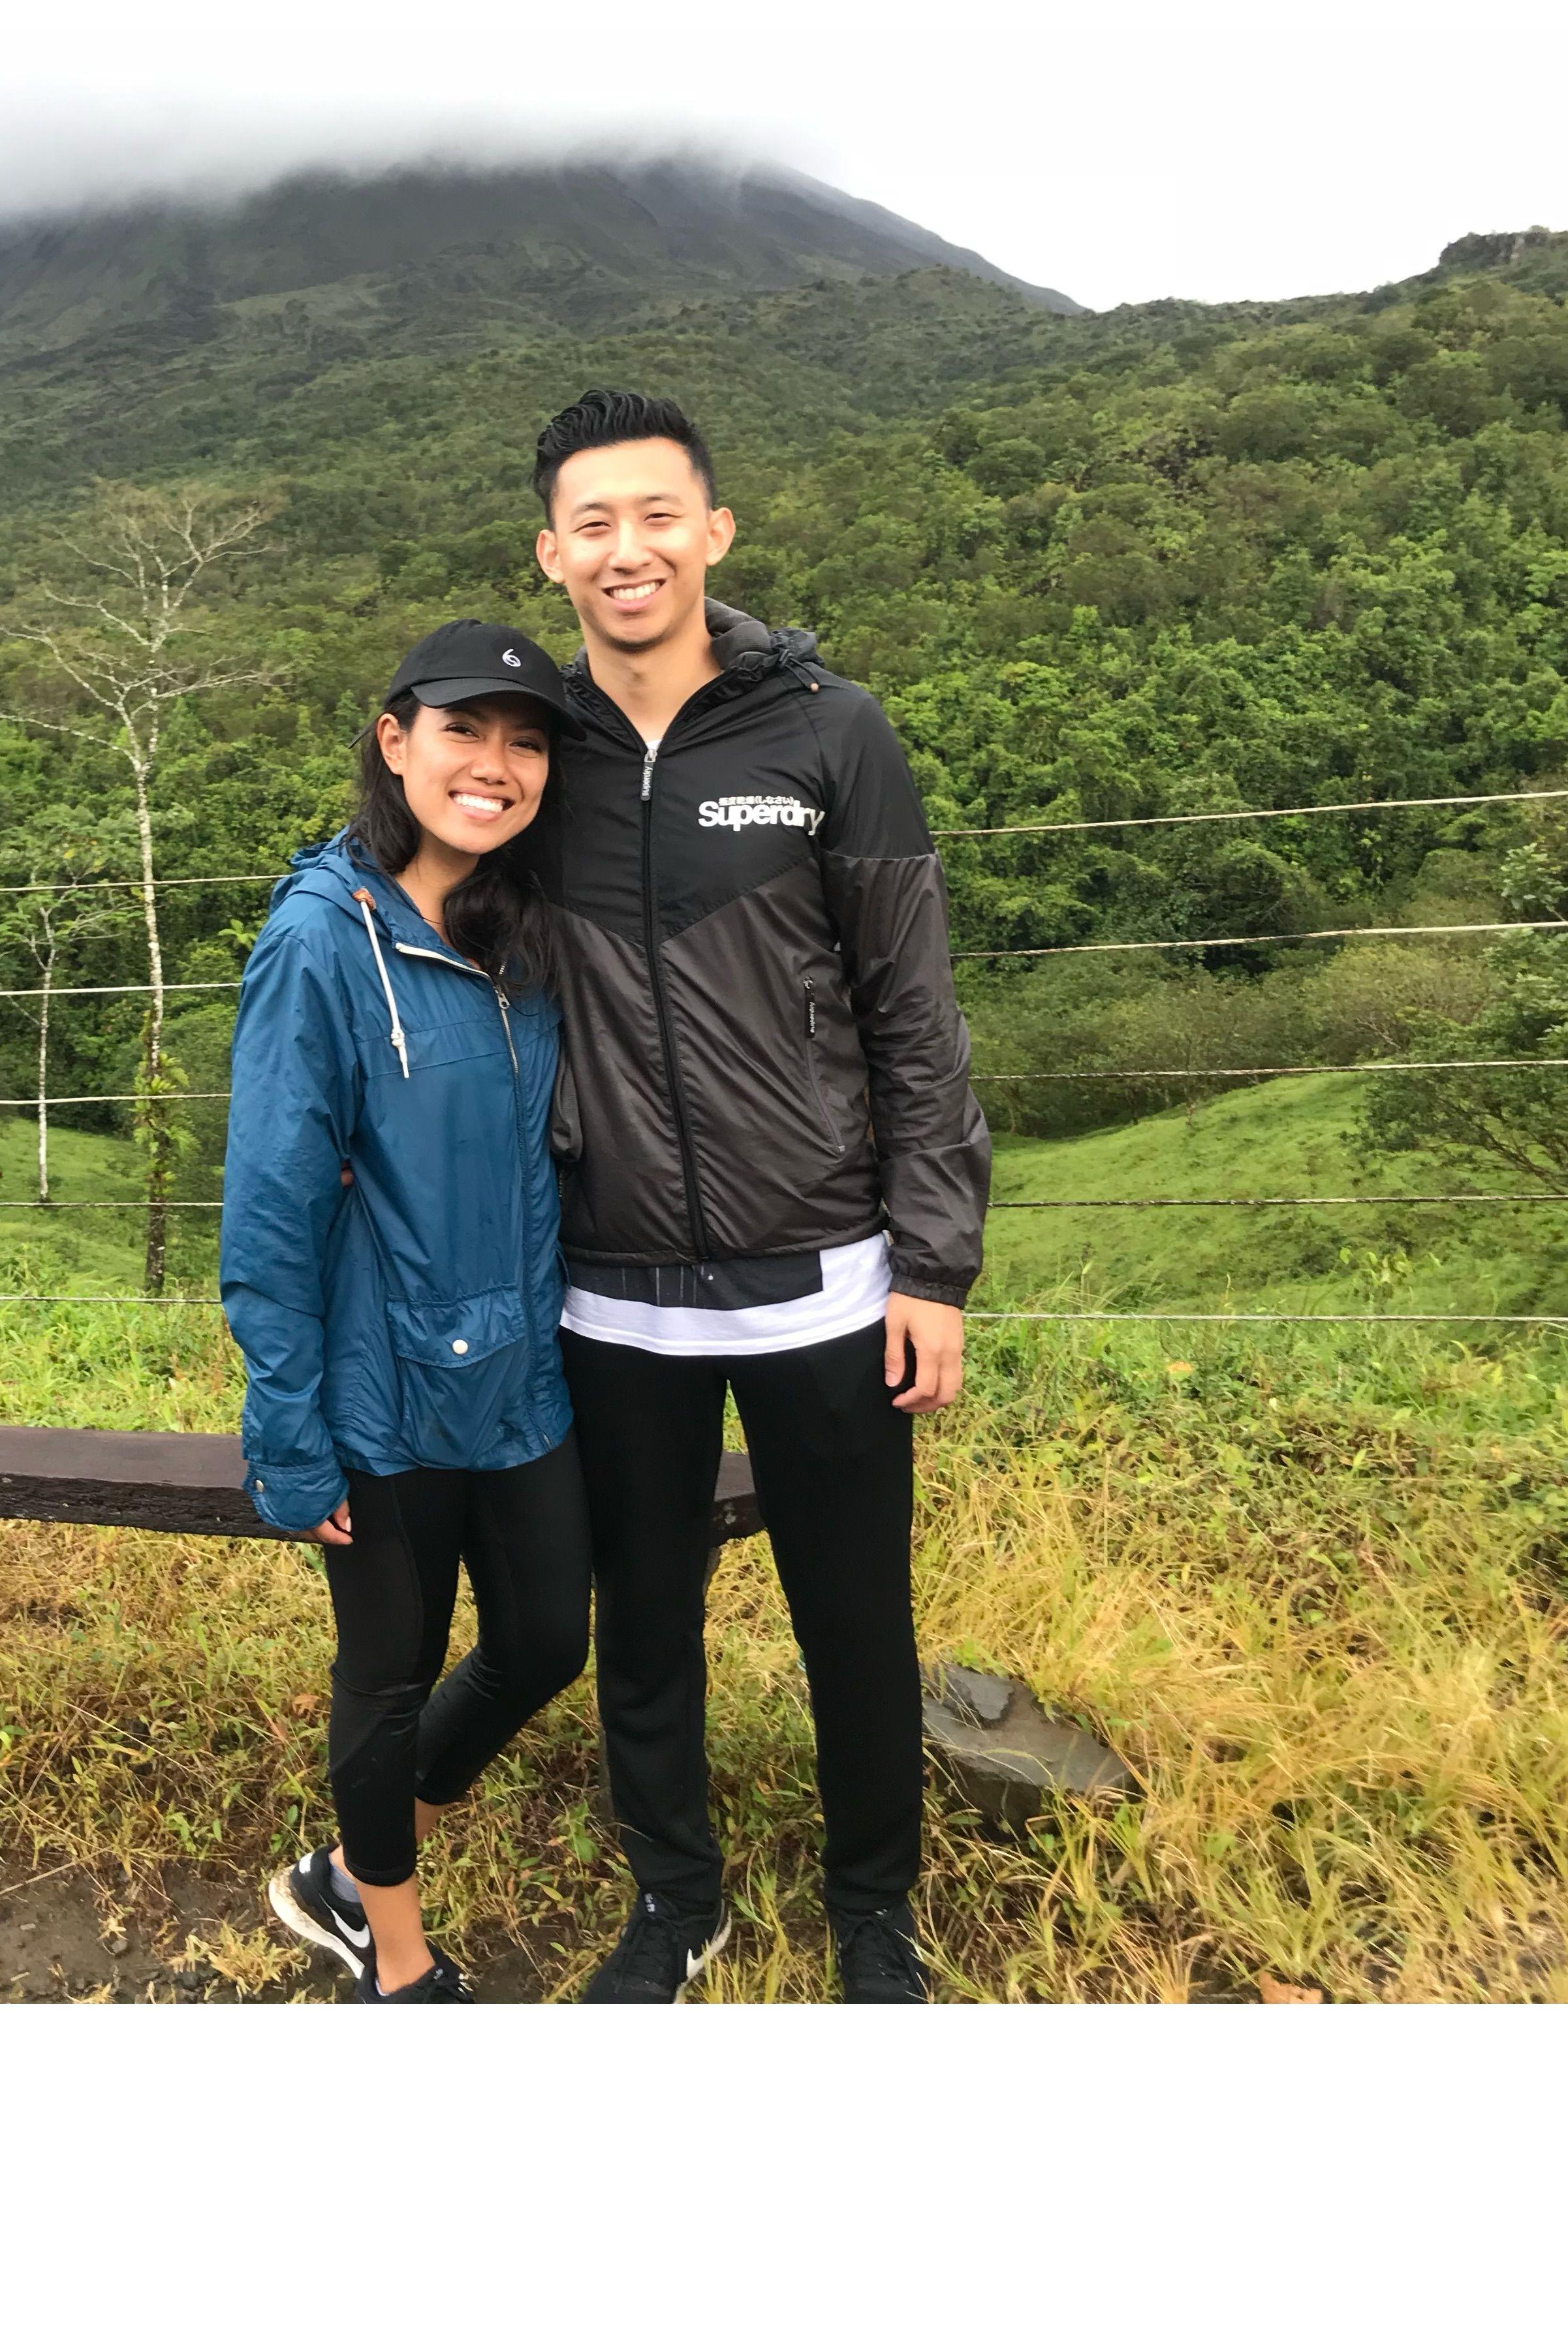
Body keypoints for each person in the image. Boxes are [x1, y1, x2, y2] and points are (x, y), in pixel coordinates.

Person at [517, 388, 992, 2004]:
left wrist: (933, 1262)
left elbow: (912, 1013)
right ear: (552, 557)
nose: (628, 548)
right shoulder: (532, 760)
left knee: (855, 1620)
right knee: (643, 1623)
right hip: (608, 1286)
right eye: (594, 523)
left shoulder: (828, 733)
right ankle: (676, 1900)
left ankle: (875, 1908)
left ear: (714, 533)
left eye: (659, 515)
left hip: (830, 1281)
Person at [225, 618, 589, 2003]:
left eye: (526, 741)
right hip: (381, 1390)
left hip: (516, 1374)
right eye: (463, 731)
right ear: (395, 741)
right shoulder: (322, 941)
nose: (494, 766)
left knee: (548, 1638)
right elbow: (268, 1202)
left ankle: (354, 1861)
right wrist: (292, 1430)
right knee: (385, 1676)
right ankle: (395, 1950)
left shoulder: (518, 929)